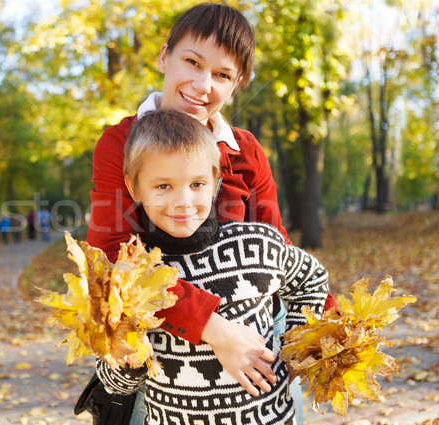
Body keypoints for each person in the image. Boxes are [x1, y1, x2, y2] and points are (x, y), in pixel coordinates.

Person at [86, 3, 336, 423]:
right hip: (168, 361)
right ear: (165, 56)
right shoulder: (122, 142)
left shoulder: (245, 150)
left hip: (255, 354)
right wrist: (214, 330)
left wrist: (320, 332)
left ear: (238, 83)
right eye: (192, 62)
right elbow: (111, 257)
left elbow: (278, 249)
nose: (203, 85)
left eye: (222, 75)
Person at [96, 108, 329, 424]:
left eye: (196, 184)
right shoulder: (135, 275)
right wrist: (129, 355)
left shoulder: (257, 243)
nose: (183, 201)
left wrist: (297, 347)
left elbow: (311, 278)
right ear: (134, 187)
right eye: (163, 186)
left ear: (216, 181)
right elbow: (115, 384)